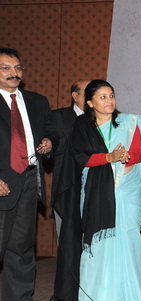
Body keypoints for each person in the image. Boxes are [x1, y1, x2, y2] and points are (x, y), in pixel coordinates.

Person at [54, 79, 141, 301]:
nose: (109, 101)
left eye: (111, 95)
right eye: (102, 97)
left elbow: (139, 152)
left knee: (128, 246)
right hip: (97, 193)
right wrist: (109, 157)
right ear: (89, 102)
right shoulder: (82, 126)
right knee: (100, 249)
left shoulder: (130, 122)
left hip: (127, 191)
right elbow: (80, 158)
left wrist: (127, 156)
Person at [0, 47, 57, 301]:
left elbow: (50, 131)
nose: (14, 73)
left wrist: (49, 142)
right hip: (1, 182)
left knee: (21, 244)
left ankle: (18, 300)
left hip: (28, 178)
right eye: (6, 68)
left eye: (18, 67)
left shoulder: (36, 100)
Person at [50, 80, 89, 243]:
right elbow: (49, 150)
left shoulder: (104, 118)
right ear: (75, 95)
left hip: (95, 186)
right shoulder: (57, 117)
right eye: (88, 91)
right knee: (68, 239)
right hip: (66, 184)